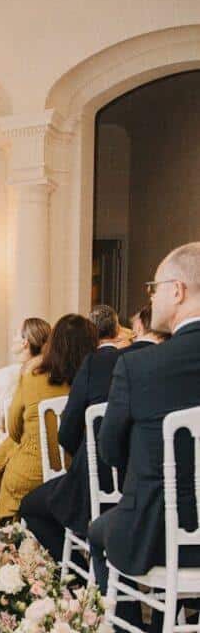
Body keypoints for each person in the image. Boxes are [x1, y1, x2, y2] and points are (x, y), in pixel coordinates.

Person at [89, 243, 200, 602]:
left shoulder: (139, 366)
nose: (152, 298)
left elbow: (109, 450)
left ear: (177, 291)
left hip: (158, 535)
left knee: (97, 530)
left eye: (154, 289)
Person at [0, 314, 97, 520]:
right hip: (76, 474)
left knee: (12, 459)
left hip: (29, 473)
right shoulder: (91, 383)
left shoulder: (32, 376)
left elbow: (13, 429)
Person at [18, 305, 123, 561]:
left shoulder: (89, 366)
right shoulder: (128, 363)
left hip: (94, 482)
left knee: (30, 507)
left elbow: (66, 434)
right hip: (132, 484)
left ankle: (79, 574)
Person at [0, 318, 51, 432]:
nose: (13, 339)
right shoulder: (53, 372)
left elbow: (4, 426)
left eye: (16, 334)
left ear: (25, 342)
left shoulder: (4, 376)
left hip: (21, 438)